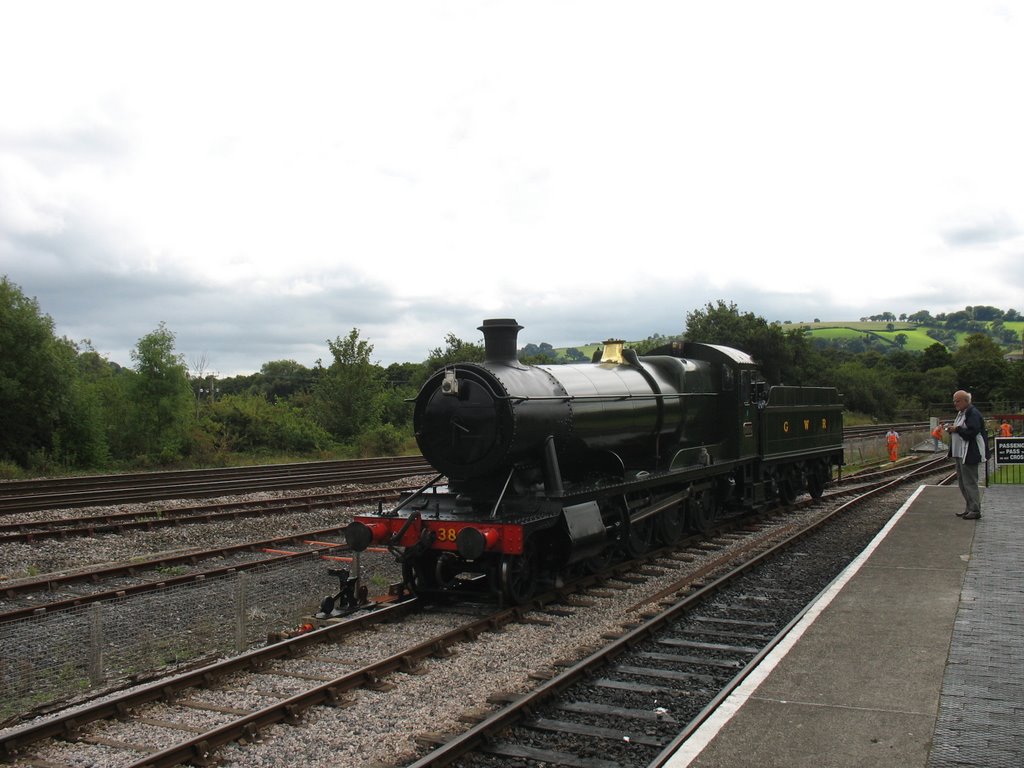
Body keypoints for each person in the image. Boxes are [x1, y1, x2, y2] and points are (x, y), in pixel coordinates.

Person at [945, 390, 985, 520]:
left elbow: (971, 432)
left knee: (969, 482)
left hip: (969, 453)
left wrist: (957, 429)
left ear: (966, 401)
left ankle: (975, 509)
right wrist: (953, 429)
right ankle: (969, 508)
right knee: (962, 482)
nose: (955, 404)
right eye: (954, 401)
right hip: (960, 453)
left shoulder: (972, 413)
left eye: (958, 401)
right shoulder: (961, 413)